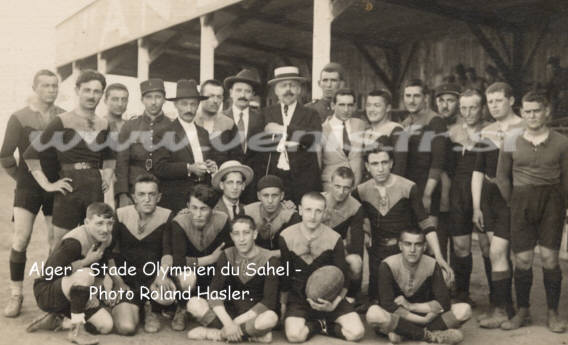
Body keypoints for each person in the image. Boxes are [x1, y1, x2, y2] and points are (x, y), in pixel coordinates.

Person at [496, 91, 568, 333]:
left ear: (547, 112)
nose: (532, 115)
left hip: (552, 202)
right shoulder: (510, 139)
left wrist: (563, 206)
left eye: (537, 110)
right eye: (527, 111)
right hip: (521, 201)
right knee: (523, 260)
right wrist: (513, 202)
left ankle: (553, 313)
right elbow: (501, 178)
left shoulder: (561, 141)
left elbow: (567, 180)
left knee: (549, 258)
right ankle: (523, 310)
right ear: (522, 112)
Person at [353, 139, 453, 303]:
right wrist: (366, 229)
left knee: (412, 298)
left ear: (392, 163)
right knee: (380, 302)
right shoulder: (361, 191)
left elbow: (425, 223)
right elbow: (354, 215)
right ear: (367, 166)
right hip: (377, 255)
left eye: (385, 162)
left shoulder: (408, 187)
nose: (380, 168)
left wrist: (439, 257)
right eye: (375, 163)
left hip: (405, 253)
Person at [24, 69, 115, 248]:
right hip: (69, 189)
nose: (91, 95)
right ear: (77, 91)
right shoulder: (62, 121)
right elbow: (30, 154)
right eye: (87, 90)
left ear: (102, 94)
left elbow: (110, 156)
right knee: (60, 244)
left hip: (94, 189)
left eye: (96, 91)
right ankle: (51, 277)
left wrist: (107, 175)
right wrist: (47, 185)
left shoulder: (104, 124)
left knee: (95, 242)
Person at [1, 69, 66, 317]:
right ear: (34, 87)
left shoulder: (63, 116)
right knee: (21, 239)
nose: (51, 90)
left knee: (55, 243)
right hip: (29, 188)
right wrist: (21, 178)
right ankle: (16, 295)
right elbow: (5, 154)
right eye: (46, 85)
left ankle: (49, 295)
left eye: (54, 85)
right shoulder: (20, 117)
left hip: (56, 186)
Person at [471, 82, 524, 328]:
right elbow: (478, 171)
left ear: (511, 100)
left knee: (499, 252)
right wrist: (476, 206)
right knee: (496, 253)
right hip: (489, 200)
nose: (493, 105)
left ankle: (505, 309)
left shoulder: (524, 127)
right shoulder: (486, 131)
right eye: (490, 101)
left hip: (511, 198)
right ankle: (505, 306)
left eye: (498, 100)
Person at [279, 192, 365, 342]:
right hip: (300, 298)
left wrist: (334, 304)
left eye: (318, 211)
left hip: (330, 297)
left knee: (356, 333)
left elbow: (344, 278)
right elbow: (285, 275)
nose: (313, 216)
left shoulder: (334, 238)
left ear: (324, 213)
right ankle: (318, 325)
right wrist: (283, 305)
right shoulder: (286, 236)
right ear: (300, 210)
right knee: (294, 336)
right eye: (308, 210)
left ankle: (325, 324)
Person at [26, 202, 115, 345]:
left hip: (75, 291)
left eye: (109, 223)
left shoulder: (106, 238)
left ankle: (57, 319)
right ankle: (76, 331)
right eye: (99, 223)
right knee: (85, 274)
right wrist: (86, 261)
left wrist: (94, 292)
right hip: (47, 291)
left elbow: (101, 268)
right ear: (87, 222)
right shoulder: (74, 241)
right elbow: (51, 272)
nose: (105, 229)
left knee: (106, 325)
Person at [366, 228, 471, 345]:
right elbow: (388, 305)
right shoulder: (388, 265)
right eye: (407, 244)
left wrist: (412, 306)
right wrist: (422, 320)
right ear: (400, 246)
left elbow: (444, 303)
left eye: (418, 245)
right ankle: (430, 337)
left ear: (425, 247)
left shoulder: (432, 264)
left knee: (464, 310)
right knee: (373, 313)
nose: (412, 250)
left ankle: (408, 337)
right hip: (400, 319)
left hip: (424, 315)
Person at [186, 215, 280, 342]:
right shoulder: (227, 255)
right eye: (236, 234)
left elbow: (269, 301)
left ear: (254, 234)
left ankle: (218, 334)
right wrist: (228, 323)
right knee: (193, 303)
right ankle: (251, 336)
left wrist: (234, 324)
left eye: (246, 233)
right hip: (228, 313)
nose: (241, 239)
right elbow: (213, 292)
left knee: (271, 317)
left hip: (251, 316)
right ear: (231, 236)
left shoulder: (270, 259)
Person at [107, 174, 176, 334]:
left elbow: (167, 252)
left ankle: (151, 308)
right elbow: (108, 252)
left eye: (152, 194)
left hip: (152, 279)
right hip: (127, 280)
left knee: (166, 294)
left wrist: (162, 275)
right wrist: (118, 282)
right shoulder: (121, 214)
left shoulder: (166, 215)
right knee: (126, 328)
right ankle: (133, 308)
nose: (147, 199)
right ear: (134, 197)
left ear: (159, 197)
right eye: (141, 194)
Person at [170, 184, 233, 331]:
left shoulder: (222, 220)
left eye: (203, 209)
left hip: (212, 278)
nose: (198, 214)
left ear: (212, 209)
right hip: (188, 280)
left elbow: (227, 256)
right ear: (187, 206)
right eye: (194, 208)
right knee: (186, 276)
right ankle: (182, 307)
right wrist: (210, 259)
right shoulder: (180, 222)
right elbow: (178, 263)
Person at [446, 89, 489, 305]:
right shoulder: (452, 132)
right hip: (459, 191)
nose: (468, 112)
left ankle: (497, 299)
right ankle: (463, 294)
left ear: (482, 108)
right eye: (464, 107)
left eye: (473, 107)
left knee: (487, 245)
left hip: (485, 192)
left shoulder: (491, 131)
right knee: (460, 246)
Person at [152, 79, 219, 213]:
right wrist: (189, 168)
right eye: (184, 104)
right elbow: (159, 167)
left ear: (198, 104)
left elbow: (207, 160)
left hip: (202, 200)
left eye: (193, 104)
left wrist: (211, 166)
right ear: (176, 105)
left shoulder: (203, 133)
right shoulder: (164, 133)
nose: (189, 109)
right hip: (176, 200)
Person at [259, 66, 322, 204]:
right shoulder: (265, 113)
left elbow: (314, 138)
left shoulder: (311, 114)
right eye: (283, 86)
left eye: (293, 85)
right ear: (276, 90)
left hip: (304, 179)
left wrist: (284, 129)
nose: (288, 90)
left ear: (299, 89)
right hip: (275, 179)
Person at [115, 79, 171, 208]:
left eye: (158, 97)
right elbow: (122, 162)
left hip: (163, 191)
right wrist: (122, 194)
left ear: (164, 99)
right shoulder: (130, 126)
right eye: (149, 97)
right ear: (142, 99)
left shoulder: (172, 126)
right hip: (133, 191)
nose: (153, 102)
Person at [321, 167, 366, 301]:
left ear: (352, 187)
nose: (341, 192)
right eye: (337, 186)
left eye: (346, 188)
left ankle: (351, 296)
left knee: (356, 261)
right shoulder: (319, 200)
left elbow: (357, 245)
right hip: (315, 248)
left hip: (337, 249)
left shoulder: (356, 208)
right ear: (330, 183)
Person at [223, 69, 264, 203]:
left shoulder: (261, 119)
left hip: (253, 182)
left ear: (252, 94)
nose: (242, 95)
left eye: (247, 91)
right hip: (228, 183)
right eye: (238, 90)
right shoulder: (221, 118)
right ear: (231, 93)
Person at [320, 88, 366, 191]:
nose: (346, 110)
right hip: (331, 187)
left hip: (357, 188)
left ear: (354, 106)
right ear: (333, 105)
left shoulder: (361, 125)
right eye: (341, 105)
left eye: (350, 105)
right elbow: (318, 164)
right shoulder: (322, 130)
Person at [244, 174, 301, 256]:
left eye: (274, 195)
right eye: (265, 195)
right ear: (258, 196)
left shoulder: (291, 216)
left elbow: (295, 249)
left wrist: (267, 255)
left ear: (282, 196)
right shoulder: (248, 212)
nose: (270, 201)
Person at [363, 89, 406, 177]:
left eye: (377, 105)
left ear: (388, 108)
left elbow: (400, 168)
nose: (371, 109)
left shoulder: (397, 130)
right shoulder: (367, 132)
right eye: (368, 105)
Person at [195, 79, 239, 162]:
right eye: (211, 96)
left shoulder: (229, 125)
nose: (215, 101)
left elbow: (236, 158)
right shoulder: (191, 122)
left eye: (219, 97)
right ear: (200, 97)